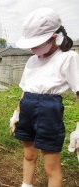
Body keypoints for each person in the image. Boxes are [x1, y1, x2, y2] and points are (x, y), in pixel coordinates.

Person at [9, 8, 79, 187]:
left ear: (54, 36)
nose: (33, 48)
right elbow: (26, 89)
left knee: (51, 168)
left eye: (37, 42)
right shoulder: (32, 60)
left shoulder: (68, 57)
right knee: (28, 155)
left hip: (49, 110)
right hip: (27, 107)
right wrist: (17, 112)